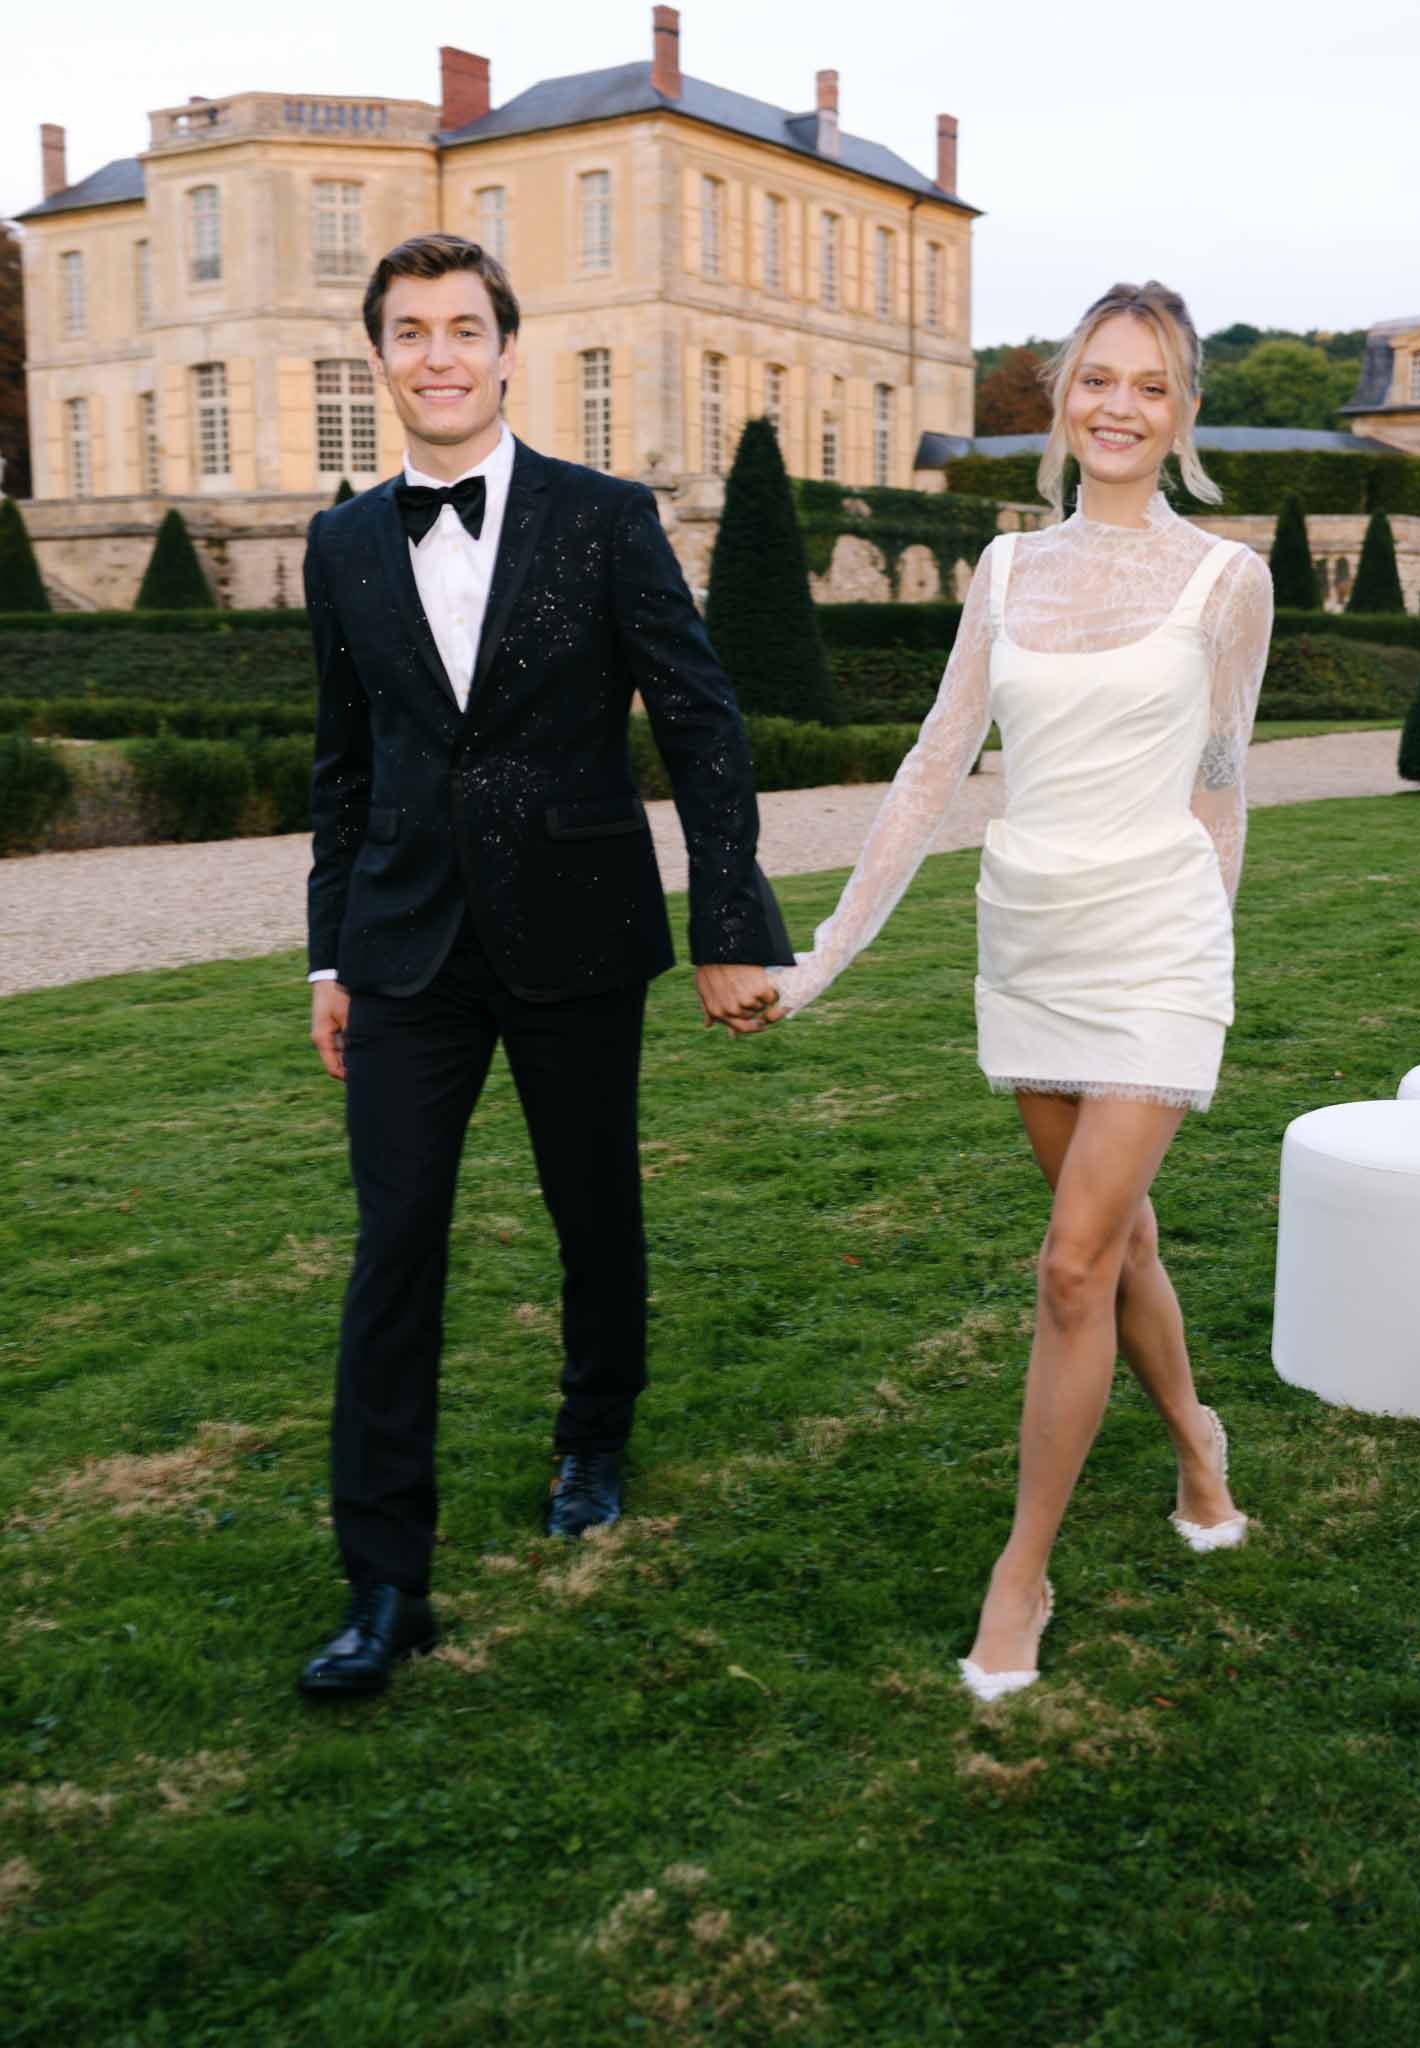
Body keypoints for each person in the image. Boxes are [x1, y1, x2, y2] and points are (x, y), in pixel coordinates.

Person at [297, 233, 789, 1699]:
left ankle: (592, 1434)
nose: (437, 353)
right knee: (392, 1252)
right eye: (409, 331)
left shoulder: (601, 516)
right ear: (379, 356)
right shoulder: (339, 545)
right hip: (399, 946)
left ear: (507, 351)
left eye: (463, 327)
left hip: (576, 924)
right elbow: (341, 764)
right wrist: (326, 955)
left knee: (593, 1205)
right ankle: (383, 1582)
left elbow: (700, 721)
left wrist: (728, 927)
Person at [771, 281, 1273, 1702]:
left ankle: (1020, 1576)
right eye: (1095, 379)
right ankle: (1196, 1445)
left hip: (1156, 943)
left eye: (1151, 385)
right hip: (1030, 940)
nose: (1118, 406)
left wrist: (1206, 948)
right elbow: (933, 768)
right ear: (1061, 399)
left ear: (1181, 416)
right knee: (1116, 1249)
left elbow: (1222, 784)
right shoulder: (1004, 575)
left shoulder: (1225, 580)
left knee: (1065, 1266)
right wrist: (821, 961)